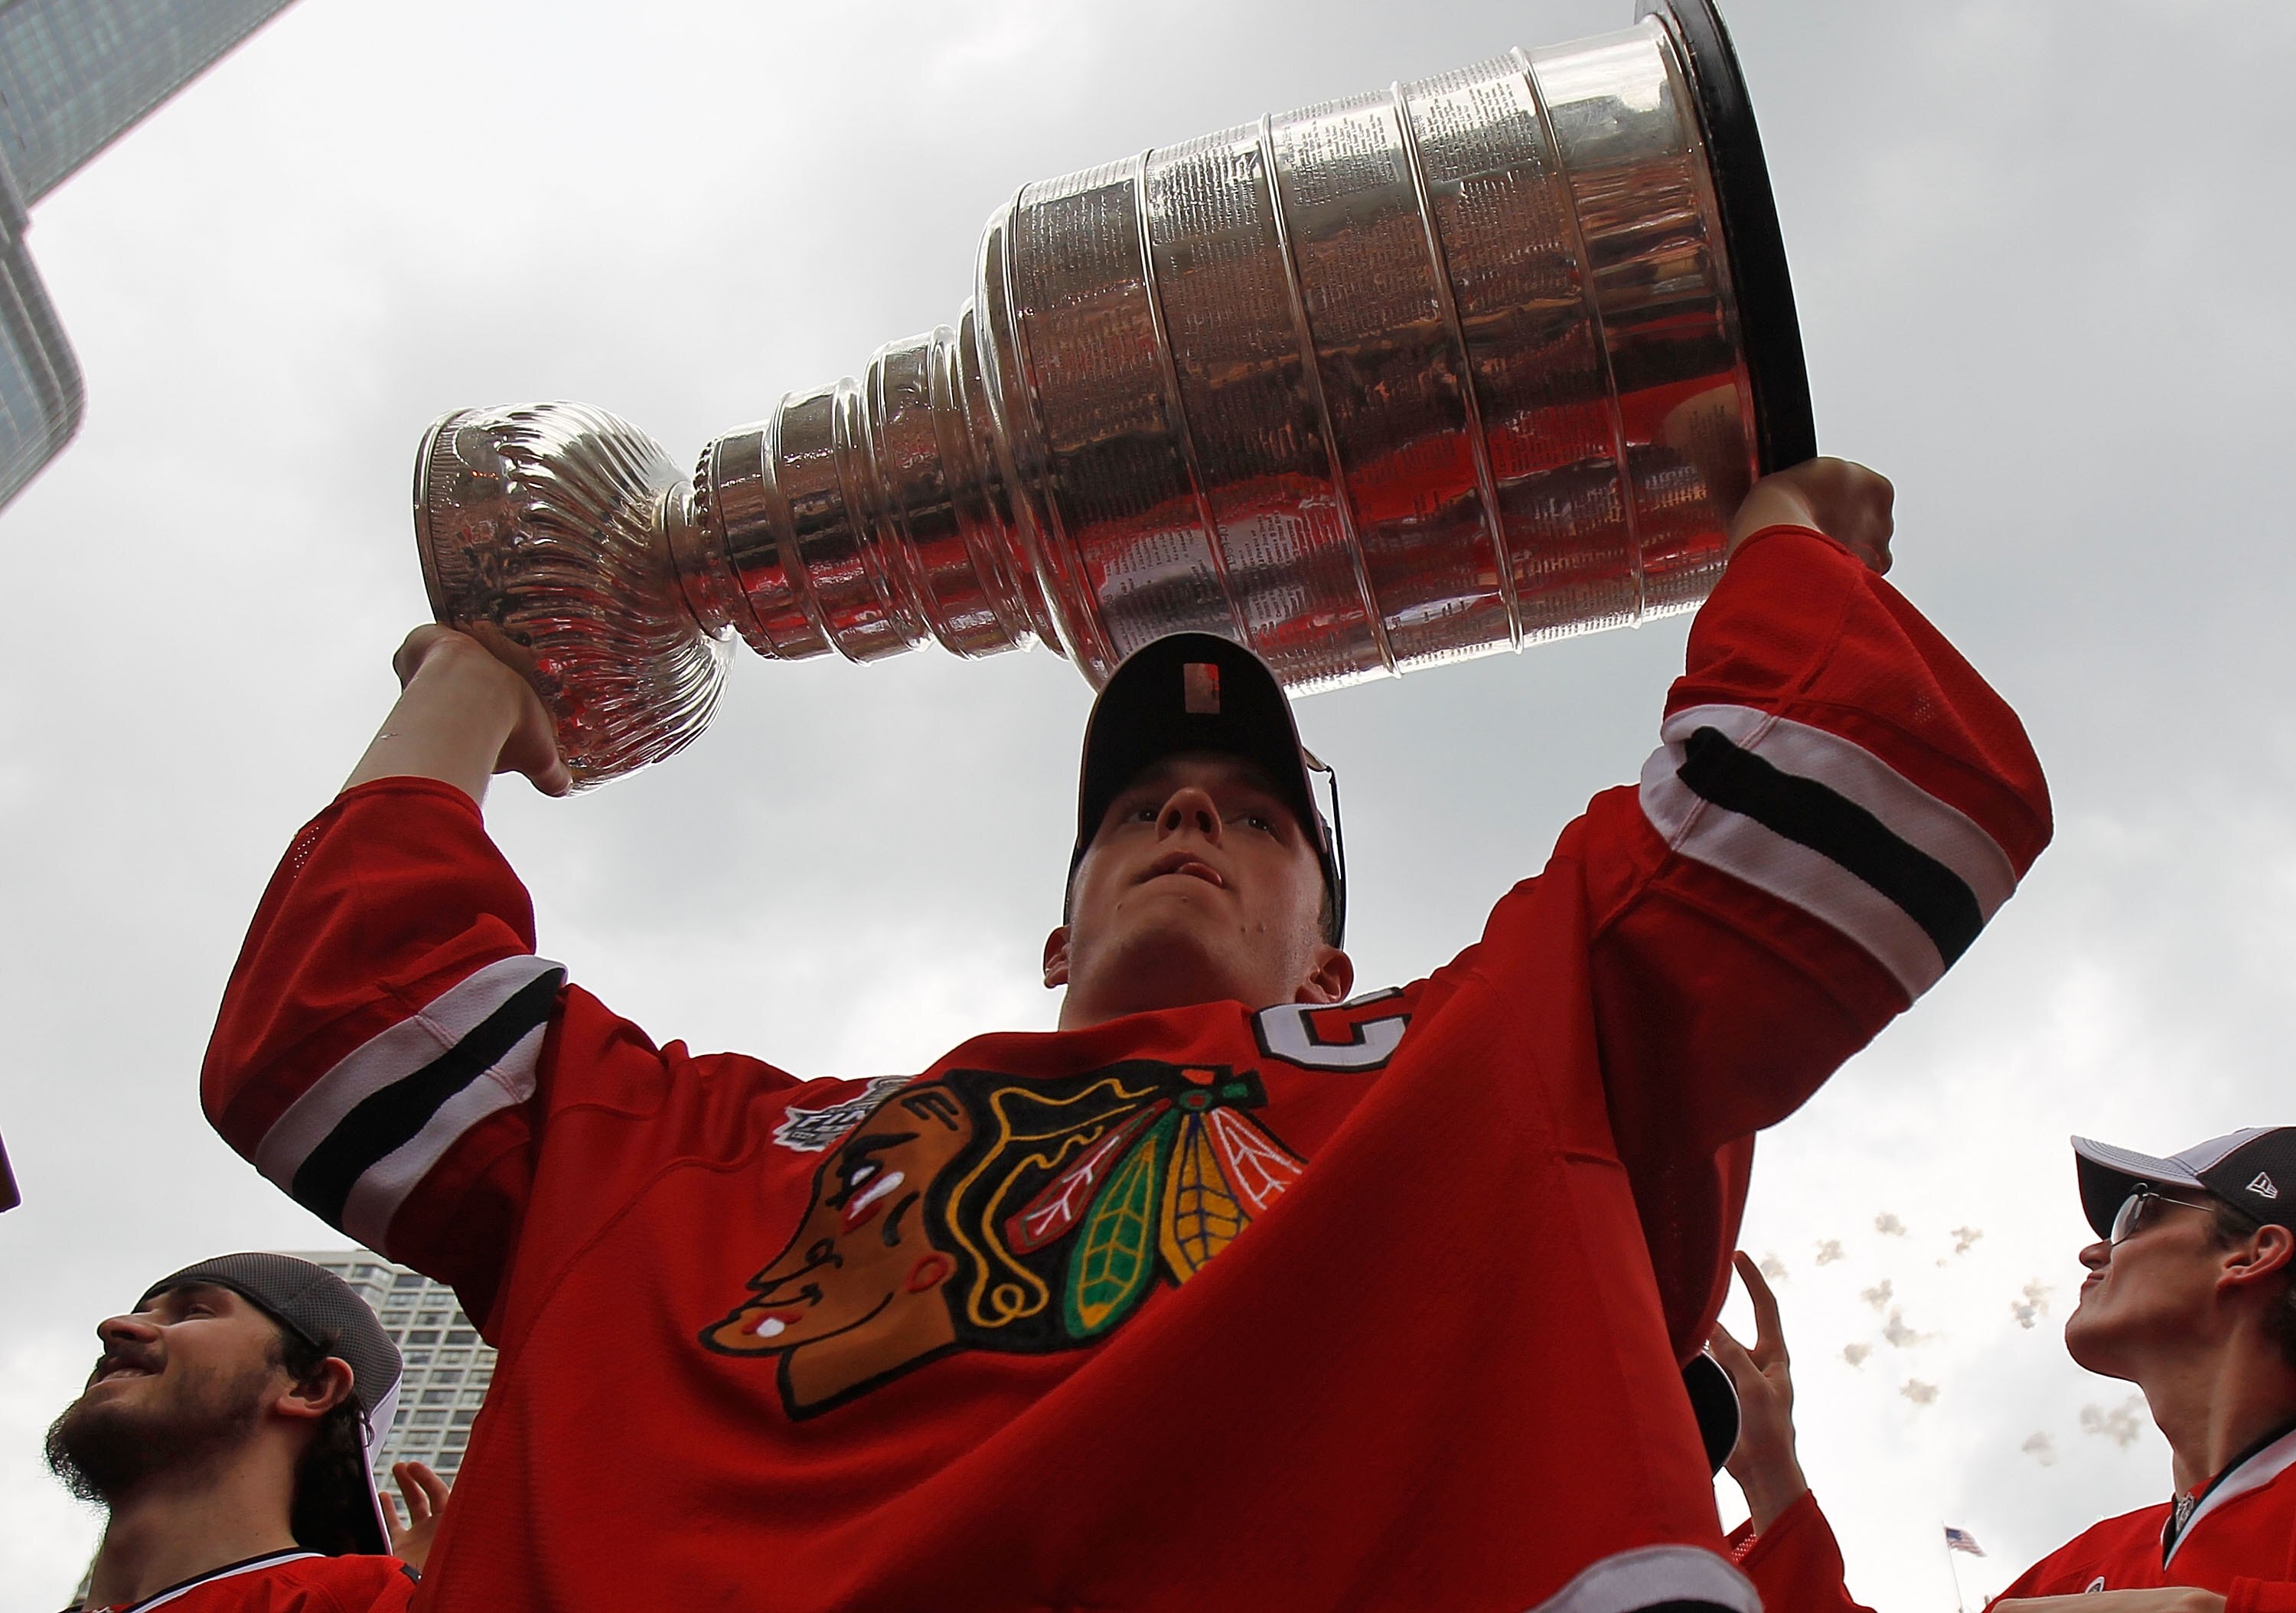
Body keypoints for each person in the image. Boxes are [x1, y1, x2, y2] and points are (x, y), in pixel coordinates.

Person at [201, 458, 2049, 1611]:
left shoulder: (1497, 1046)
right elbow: (339, 1026)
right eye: (1138, 806)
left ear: (1335, 968)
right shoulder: (714, 1144)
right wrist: (471, 686)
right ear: (1054, 925)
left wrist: (1772, 539)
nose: (1188, 819)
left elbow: (1850, 786)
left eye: (1253, 818)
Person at [1714, 1131, 2296, 1611]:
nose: (2093, 1252)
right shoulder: (2078, 1569)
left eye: (2134, 1214)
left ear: (2252, 1253)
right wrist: (1769, 1476)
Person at [44, 1252, 435, 1611]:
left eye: (193, 1312)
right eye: (141, 1313)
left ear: (310, 1387)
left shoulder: (363, 1602)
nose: (114, 1327)